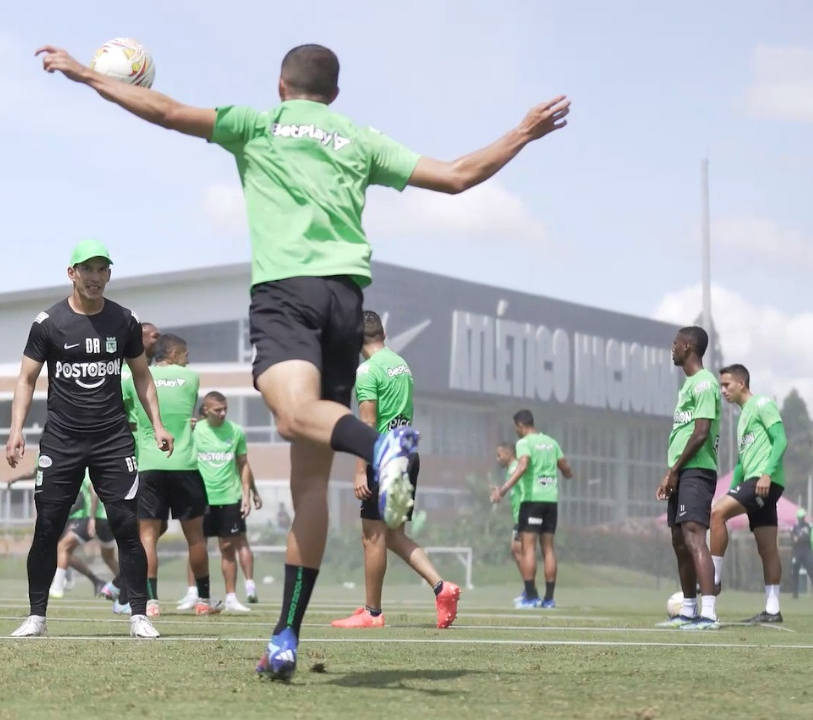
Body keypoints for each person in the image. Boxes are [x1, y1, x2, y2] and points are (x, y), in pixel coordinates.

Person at [37, 41, 567, 679]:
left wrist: (87, 75)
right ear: (334, 95)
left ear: (281, 85)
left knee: (290, 416)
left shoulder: (260, 123)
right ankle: (285, 634)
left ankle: (379, 448)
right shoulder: (360, 137)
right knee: (308, 480)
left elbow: (167, 111)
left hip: (287, 294)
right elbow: (456, 176)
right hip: (346, 301)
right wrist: (522, 132)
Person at [4, 239, 172, 639]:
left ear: (109, 274)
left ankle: (137, 614)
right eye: (87, 269)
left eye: (102, 270)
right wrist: (16, 430)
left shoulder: (125, 320)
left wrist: (158, 425)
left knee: (126, 526)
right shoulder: (48, 322)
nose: (95, 277)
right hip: (61, 439)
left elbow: (142, 375)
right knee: (47, 527)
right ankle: (37, 616)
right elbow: (26, 379)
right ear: (72, 273)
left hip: (112, 439)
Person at [332, 311, 461, 629]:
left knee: (372, 536)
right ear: (384, 333)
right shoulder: (402, 365)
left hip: (384, 457)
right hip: (407, 454)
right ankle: (442, 587)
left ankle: (372, 613)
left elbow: (368, 423)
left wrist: (360, 469)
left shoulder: (367, 370)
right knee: (392, 536)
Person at [124, 334, 219, 617]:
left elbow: (125, 409)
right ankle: (203, 600)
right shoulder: (190, 378)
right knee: (196, 538)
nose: (188, 359)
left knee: (147, 537)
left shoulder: (132, 377)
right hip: (185, 466)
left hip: (150, 465)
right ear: (175, 353)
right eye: (185, 353)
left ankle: (150, 602)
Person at [655, 326, 722, 630]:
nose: (672, 348)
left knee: (694, 537)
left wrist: (674, 470)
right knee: (679, 542)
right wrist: (670, 473)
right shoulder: (687, 386)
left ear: (688, 347)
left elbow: (701, 433)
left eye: (675, 343)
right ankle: (688, 610)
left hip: (696, 470)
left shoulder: (705, 384)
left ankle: (708, 613)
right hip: (681, 472)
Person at [710, 364, 787, 623]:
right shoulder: (742, 417)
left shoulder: (762, 403)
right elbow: (742, 463)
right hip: (757, 482)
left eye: (726, 385)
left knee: (717, 513)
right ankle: (773, 609)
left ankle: (714, 580)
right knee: (767, 549)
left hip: (764, 481)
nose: (723, 391)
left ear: (741, 383)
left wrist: (766, 474)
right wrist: (730, 488)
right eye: (721, 386)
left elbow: (781, 439)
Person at [491, 410, 572, 609]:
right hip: (550, 500)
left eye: (515, 427)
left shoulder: (524, 443)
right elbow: (565, 466)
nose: (516, 431)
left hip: (532, 500)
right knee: (548, 549)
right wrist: (568, 475)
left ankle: (530, 597)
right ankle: (549, 599)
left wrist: (503, 489)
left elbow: (523, 465)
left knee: (528, 549)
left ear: (520, 425)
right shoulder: (551, 442)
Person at [194, 391, 256, 613]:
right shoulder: (195, 431)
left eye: (225, 409)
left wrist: (247, 495)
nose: (222, 414)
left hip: (229, 497)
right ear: (206, 410)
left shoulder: (236, 431)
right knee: (198, 546)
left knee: (228, 547)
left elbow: (243, 464)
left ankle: (231, 597)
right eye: (217, 410)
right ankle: (198, 595)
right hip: (202, 498)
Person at [51, 474, 121, 598]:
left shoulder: (88, 471)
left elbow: (94, 492)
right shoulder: (101, 470)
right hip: (108, 518)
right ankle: (126, 587)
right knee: (109, 557)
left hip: (96, 517)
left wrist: (92, 519)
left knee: (62, 547)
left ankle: (57, 588)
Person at [493, 442, 525, 600]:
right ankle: (529, 589)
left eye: (499, 455)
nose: (497, 459)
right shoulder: (510, 471)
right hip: (518, 517)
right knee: (517, 551)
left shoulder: (516, 469)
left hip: (524, 515)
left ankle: (530, 591)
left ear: (508, 453)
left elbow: (526, 489)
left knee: (519, 551)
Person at [793, 509, 813, 599]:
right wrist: (800, 538)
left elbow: (808, 538)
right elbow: (794, 539)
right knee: (795, 573)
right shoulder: (795, 527)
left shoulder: (809, 526)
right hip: (797, 552)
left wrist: (800, 538)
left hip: (807, 552)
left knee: (811, 571)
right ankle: (795, 594)